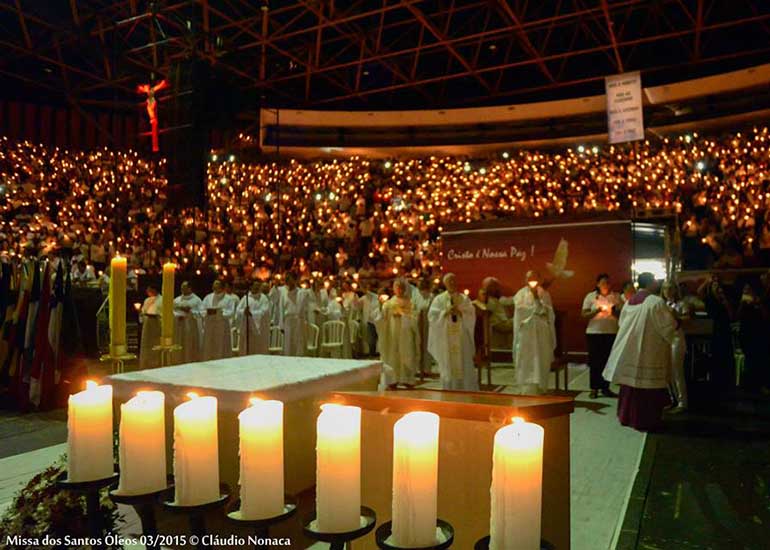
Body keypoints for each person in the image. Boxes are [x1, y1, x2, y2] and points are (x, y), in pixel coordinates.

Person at [603, 273, 677, 432]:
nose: (658, 283)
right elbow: (668, 327)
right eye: (655, 280)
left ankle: (626, 416)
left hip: (630, 348)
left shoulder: (630, 302)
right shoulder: (655, 302)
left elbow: (622, 323)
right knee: (646, 385)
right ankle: (645, 420)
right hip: (648, 349)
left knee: (630, 384)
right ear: (651, 283)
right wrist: (677, 323)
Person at [428, 273, 478, 390]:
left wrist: (460, 312)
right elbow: (432, 316)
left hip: (461, 336)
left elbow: (471, 313)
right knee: (447, 362)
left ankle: (465, 387)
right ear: (445, 284)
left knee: (463, 361)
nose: (452, 283)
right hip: (445, 336)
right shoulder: (439, 299)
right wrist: (445, 312)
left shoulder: (463, 298)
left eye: (454, 281)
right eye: (449, 281)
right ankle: (449, 388)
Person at [512, 270, 556, 394]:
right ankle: (526, 388)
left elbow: (548, 312)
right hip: (526, 332)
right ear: (525, 280)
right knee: (526, 359)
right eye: (529, 278)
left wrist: (537, 299)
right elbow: (520, 311)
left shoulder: (544, 294)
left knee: (540, 357)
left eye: (535, 278)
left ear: (539, 280)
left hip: (541, 331)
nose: (532, 281)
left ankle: (541, 387)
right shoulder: (520, 294)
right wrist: (535, 309)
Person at [375, 278, 420, 388]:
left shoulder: (410, 303)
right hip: (392, 334)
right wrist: (381, 307)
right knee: (393, 355)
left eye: (401, 287)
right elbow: (381, 319)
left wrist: (404, 317)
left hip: (406, 334)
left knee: (407, 354)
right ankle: (392, 380)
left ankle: (407, 379)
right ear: (394, 289)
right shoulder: (389, 303)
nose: (399, 289)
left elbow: (415, 318)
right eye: (397, 287)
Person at [581, 273, 620, 399]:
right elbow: (584, 314)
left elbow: (622, 314)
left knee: (608, 361)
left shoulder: (615, 296)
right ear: (597, 284)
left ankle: (605, 387)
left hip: (611, 332)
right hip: (594, 332)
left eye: (608, 283)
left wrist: (613, 311)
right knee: (595, 362)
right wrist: (597, 310)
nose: (606, 285)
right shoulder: (591, 296)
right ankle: (594, 388)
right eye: (603, 283)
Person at [737, 282, 769, 393]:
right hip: (745, 334)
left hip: (757, 334)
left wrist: (757, 303)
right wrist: (742, 303)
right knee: (749, 359)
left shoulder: (758, 300)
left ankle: (759, 385)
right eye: (744, 289)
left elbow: (765, 316)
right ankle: (749, 386)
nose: (746, 291)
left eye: (748, 289)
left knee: (758, 360)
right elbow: (737, 316)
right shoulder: (743, 303)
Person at [662, 281, 689, 412]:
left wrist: (676, 315)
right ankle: (672, 399)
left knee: (677, 371)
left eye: (670, 288)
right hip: (665, 339)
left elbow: (688, 319)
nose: (668, 291)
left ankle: (682, 402)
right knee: (667, 372)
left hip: (676, 338)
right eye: (665, 288)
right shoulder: (662, 304)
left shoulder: (681, 304)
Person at [278, 272, 310, 356]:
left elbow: (305, 307)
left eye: (289, 279)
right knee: (288, 344)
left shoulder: (302, 293)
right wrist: (281, 324)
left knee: (298, 344)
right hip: (288, 321)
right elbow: (281, 309)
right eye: (286, 279)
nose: (287, 281)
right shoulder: (283, 293)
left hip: (298, 321)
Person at [201, 280, 234, 360]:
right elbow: (202, 310)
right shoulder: (208, 297)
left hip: (222, 326)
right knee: (209, 346)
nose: (215, 286)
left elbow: (231, 312)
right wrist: (207, 312)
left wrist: (219, 313)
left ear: (222, 287)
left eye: (217, 285)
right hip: (210, 326)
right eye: (214, 285)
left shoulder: (229, 299)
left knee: (221, 347)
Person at [236, 281, 271, 356]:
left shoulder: (263, 298)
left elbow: (264, 311)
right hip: (247, 328)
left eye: (258, 286)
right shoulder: (246, 298)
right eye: (255, 286)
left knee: (257, 348)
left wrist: (251, 314)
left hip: (259, 330)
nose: (256, 288)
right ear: (251, 287)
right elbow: (238, 310)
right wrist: (244, 312)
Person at [173, 281, 202, 364]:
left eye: (184, 288)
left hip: (190, 325)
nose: (182, 289)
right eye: (182, 288)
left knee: (189, 344)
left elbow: (201, 312)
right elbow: (172, 311)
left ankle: (190, 360)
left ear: (190, 288)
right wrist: (178, 315)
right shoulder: (177, 300)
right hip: (179, 325)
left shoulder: (196, 300)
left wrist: (190, 312)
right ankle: (178, 360)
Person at [412, 278, 434, 376]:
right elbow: (413, 307)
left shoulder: (431, 297)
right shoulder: (415, 294)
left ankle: (426, 368)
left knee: (427, 346)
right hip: (416, 322)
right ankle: (417, 368)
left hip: (427, 324)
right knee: (417, 345)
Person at [138, 285, 162, 369]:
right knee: (146, 344)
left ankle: (156, 362)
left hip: (156, 324)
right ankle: (146, 362)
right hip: (147, 324)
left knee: (155, 343)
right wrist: (141, 313)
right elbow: (143, 311)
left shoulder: (161, 300)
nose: (148, 292)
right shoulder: (147, 300)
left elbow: (162, 312)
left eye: (149, 290)